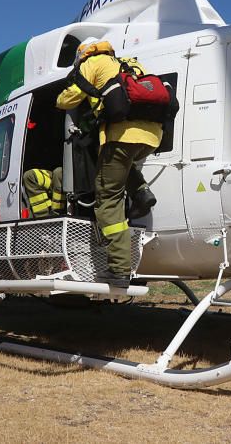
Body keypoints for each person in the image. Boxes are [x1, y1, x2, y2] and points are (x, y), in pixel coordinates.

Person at [56, 39, 159, 288]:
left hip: (121, 135)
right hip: (152, 136)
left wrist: (58, 99)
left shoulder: (92, 62)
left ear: (82, 55)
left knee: (108, 198)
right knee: (122, 165)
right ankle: (141, 191)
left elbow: (70, 99)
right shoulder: (130, 64)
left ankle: (120, 268)